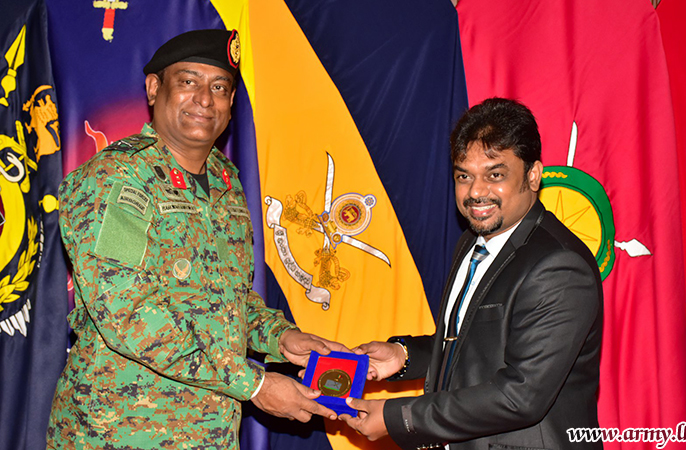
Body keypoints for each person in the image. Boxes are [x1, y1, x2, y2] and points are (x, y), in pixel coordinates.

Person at [47, 29, 343, 450]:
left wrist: (280, 338)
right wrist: (254, 384)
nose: (205, 99)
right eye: (188, 81)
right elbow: (127, 314)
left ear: (231, 102)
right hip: (121, 433)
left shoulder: (226, 182)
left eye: (219, 87)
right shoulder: (116, 178)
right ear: (154, 88)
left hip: (210, 433)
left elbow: (226, 298)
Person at [341, 98, 603, 449]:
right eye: (464, 176)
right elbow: (472, 347)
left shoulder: (560, 266)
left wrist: (399, 417)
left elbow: (520, 396)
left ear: (533, 175)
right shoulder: (472, 241)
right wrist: (403, 356)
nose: (476, 192)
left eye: (495, 175)